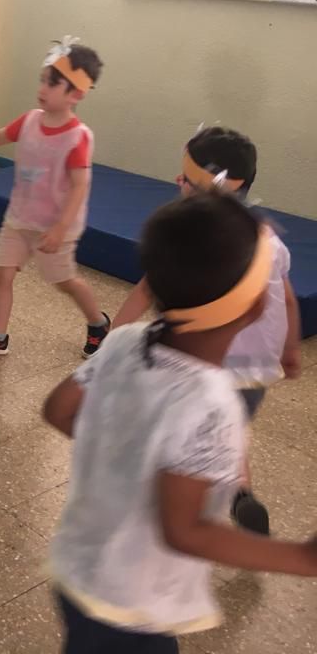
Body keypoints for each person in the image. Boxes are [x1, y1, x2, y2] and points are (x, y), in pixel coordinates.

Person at [43, 191, 317, 653]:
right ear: (255, 306)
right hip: (132, 605)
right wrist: (303, 558)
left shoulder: (125, 341)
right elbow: (184, 530)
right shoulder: (213, 403)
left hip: (74, 565)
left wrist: (122, 456)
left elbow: (58, 410)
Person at [112, 126, 301, 535]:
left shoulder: (188, 237)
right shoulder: (268, 238)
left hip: (204, 366)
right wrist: (290, 350)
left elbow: (146, 290)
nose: (176, 182)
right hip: (255, 372)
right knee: (229, 426)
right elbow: (287, 299)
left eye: (185, 179)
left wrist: (114, 337)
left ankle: (165, 503)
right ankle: (240, 492)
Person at [0, 37, 110, 358]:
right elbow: (0, 135)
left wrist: (60, 228)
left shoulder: (77, 137)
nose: (43, 88)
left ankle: (98, 323)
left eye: (52, 83)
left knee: (64, 282)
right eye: (42, 80)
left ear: (76, 94)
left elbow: (80, 186)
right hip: (20, 219)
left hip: (54, 228)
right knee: (2, 274)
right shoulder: (30, 119)